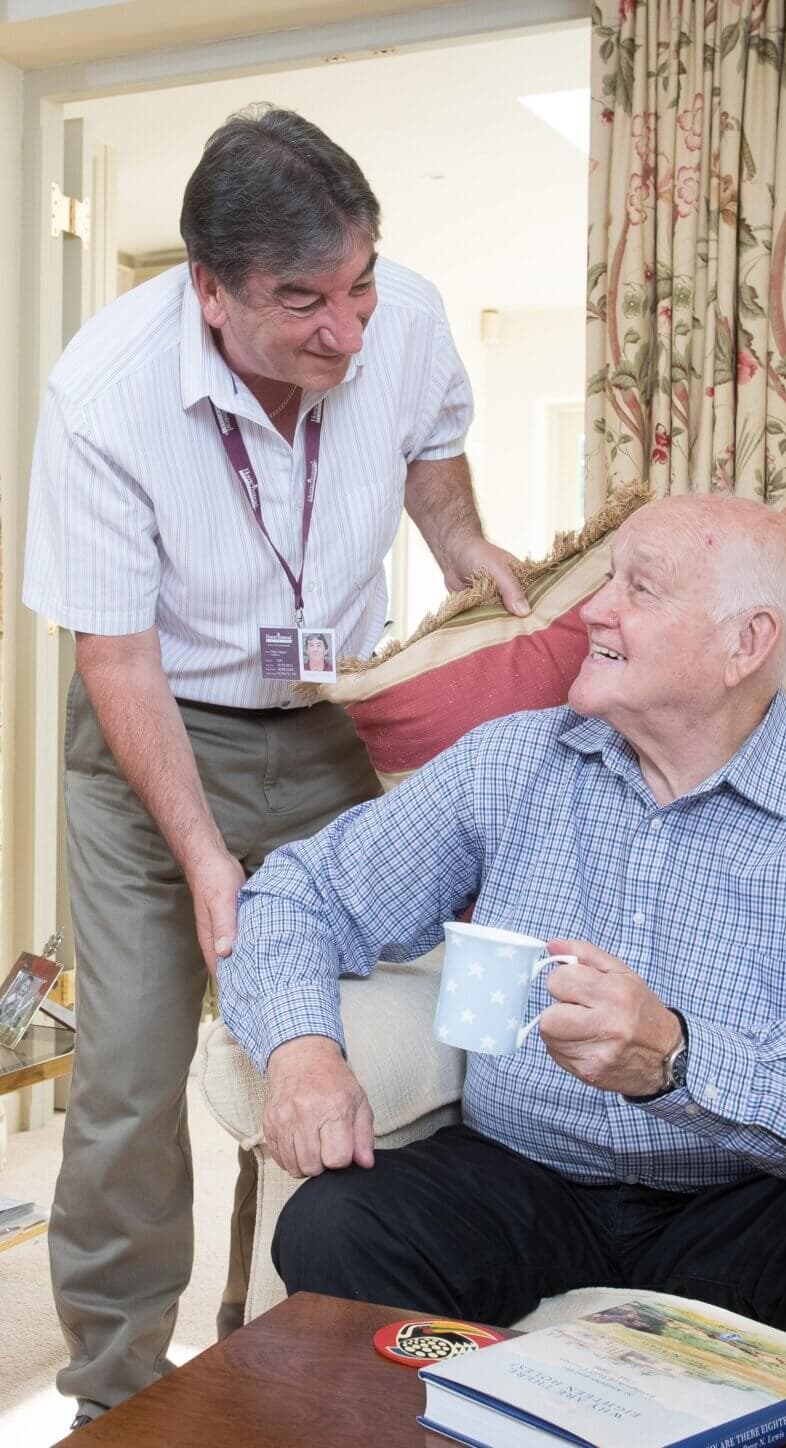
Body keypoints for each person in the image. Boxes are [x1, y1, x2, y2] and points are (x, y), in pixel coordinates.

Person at [219, 493, 786, 1414]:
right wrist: (303, 1049)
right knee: (338, 1225)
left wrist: (681, 1061)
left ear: (744, 643)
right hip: (526, 1174)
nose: (594, 609)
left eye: (640, 587)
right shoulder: (511, 763)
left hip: (754, 1194)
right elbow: (297, 893)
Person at [22, 104, 528, 1431]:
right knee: (130, 1077)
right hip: (154, 740)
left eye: (358, 284)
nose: (346, 329)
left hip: (329, 721)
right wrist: (200, 857)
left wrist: (470, 557)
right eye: (304, 300)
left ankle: (327, 1343)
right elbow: (117, 662)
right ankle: (116, 1389)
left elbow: (431, 465)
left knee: (372, 1027)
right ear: (208, 289)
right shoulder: (105, 394)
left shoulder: (400, 318)